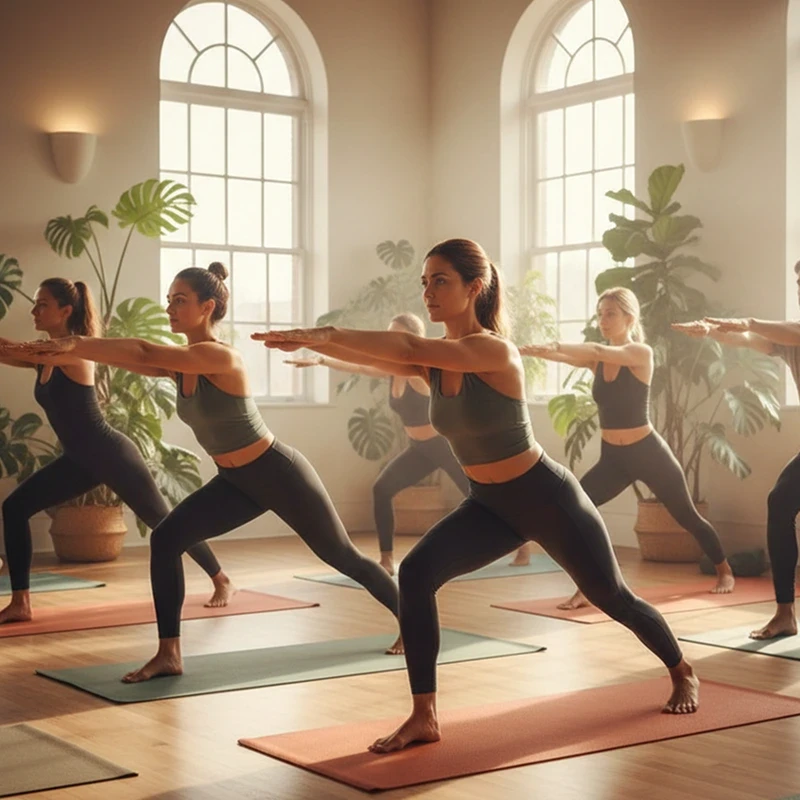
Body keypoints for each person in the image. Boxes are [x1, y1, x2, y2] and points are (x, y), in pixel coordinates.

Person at [254, 238, 700, 754]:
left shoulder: (492, 349)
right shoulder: (435, 363)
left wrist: (323, 332)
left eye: (440, 280)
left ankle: (681, 669)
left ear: (475, 287)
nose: (428, 292)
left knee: (612, 597)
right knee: (417, 574)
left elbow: (408, 347)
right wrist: (313, 344)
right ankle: (425, 714)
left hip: (544, 496)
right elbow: (386, 358)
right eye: (424, 282)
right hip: (489, 504)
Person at [7, 263, 401, 681]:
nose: (169, 307)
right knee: (167, 538)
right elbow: (134, 359)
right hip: (235, 481)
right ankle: (169, 654)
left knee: (343, 556)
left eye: (180, 300)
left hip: (277, 472)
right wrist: (68, 349)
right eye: (169, 299)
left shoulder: (218, 356)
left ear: (207, 306)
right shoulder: (180, 364)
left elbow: (143, 351)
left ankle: (410, 621)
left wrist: (77, 342)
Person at [0, 278, 233, 625]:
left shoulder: (74, 352)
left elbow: (17, 349)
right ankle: (21, 602)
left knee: (163, 521)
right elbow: (9, 350)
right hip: (79, 460)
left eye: (42, 304)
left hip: (110, 454)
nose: (34, 311)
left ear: (66, 311)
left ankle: (220, 578)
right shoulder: (43, 357)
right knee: (15, 507)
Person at [521, 287, 734, 610]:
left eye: (610, 314)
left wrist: (554, 344)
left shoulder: (640, 353)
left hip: (648, 454)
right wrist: (535, 351)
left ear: (629, 318)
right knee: (574, 511)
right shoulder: (598, 360)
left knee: (686, 516)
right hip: (614, 459)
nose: (602, 320)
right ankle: (588, 587)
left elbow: (591, 349)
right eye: (600, 313)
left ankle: (724, 570)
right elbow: (569, 356)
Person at [287, 312, 474, 575]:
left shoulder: (416, 373)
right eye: (387, 334)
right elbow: (362, 367)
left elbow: (451, 398)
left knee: (478, 498)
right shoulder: (394, 370)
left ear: (411, 338)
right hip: (419, 449)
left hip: (443, 447)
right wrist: (320, 359)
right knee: (382, 489)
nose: (388, 340)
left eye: (394, 335)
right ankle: (387, 559)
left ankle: (519, 543)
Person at [674, 269, 800, 640]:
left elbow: (780, 330)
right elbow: (751, 341)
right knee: (780, 504)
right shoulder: (787, 339)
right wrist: (712, 332)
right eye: (799, 284)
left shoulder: (792, 332)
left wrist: (748, 321)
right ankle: (784, 614)